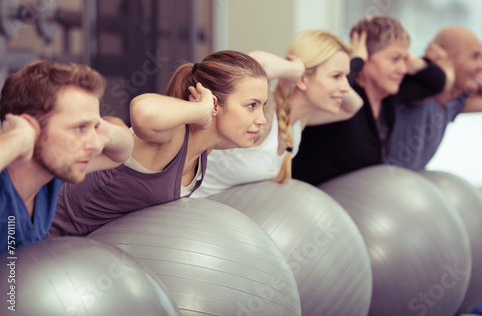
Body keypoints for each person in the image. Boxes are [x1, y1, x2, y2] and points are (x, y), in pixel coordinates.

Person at [47, 50, 269, 237]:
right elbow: (141, 111)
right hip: (46, 233)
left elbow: (263, 64)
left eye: (262, 106)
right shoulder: (175, 134)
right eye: (252, 105)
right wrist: (200, 110)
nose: (262, 118)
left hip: (86, 249)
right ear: (214, 103)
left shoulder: (208, 144)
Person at [191, 29, 363, 198]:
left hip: (222, 214)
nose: (346, 87)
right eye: (336, 76)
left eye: (345, 77)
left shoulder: (299, 120)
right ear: (303, 79)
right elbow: (255, 64)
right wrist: (297, 69)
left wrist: (354, 62)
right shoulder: (265, 109)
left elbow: (353, 106)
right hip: (187, 210)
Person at [292, 15, 449, 185]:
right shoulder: (340, 97)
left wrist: (417, 62)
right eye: (395, 59)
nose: (402, 69)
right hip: (314, 199)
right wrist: (356, 60)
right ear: (366, 58)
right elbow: (335, 85)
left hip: (356, 202)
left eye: (405, 59)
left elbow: (437, 82)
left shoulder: (391, 95)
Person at [0, 60, 134, 251]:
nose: (95, 146)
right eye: (79, 128)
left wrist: (102, 129)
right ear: (30, 128)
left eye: (93, 127)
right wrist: (17, 138)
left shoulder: (50, 173)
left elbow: (119, 154)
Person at [386, 26, 482, 170]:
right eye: (475, 57)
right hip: (379, 183)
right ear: (449, 57)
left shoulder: (454, 100)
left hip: (406, 185)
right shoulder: (416, 86)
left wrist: (474, 75)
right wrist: (445, 66)